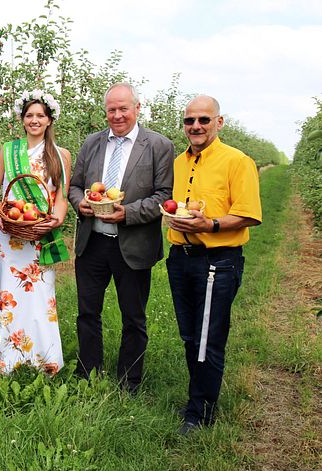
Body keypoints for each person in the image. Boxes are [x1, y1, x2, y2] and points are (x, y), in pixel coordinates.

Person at [68, 82, 174, 393]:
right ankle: (89, 374)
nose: (117, 115)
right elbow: (75, 186)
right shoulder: (92, 143)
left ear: (137, 108)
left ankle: (129, 381)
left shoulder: (158, 145)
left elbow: (164, 196)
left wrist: (126, 213)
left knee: (133, 317)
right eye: (111, 109)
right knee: (88, 312)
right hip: (93, 243)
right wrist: (81, 203)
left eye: (123, 108)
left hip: (133, 245)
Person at [165, 95, 261, 435]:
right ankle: (199, 397)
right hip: (180, 259)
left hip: (217, 261)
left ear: (219, 122)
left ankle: (201, 413)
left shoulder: (237, 161)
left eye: (204, 120)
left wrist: (211, 225)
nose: (196, 127)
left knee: (209, 337)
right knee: (190, 335)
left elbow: (249, 213)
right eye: (190, 121)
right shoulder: (178, 162)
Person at [0, 90, 71, 375]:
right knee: (5, 294)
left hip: (40, 235)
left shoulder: (61, 155)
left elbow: (61, 197)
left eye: (40, 115)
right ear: (22, 119)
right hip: (9, 236)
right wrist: (1, 214)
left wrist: (57, 220)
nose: (34, 120)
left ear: (50, 120)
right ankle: (2, 361)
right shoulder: (8, 150)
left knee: (39, 297)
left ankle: (40, 361)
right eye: (29, 116)